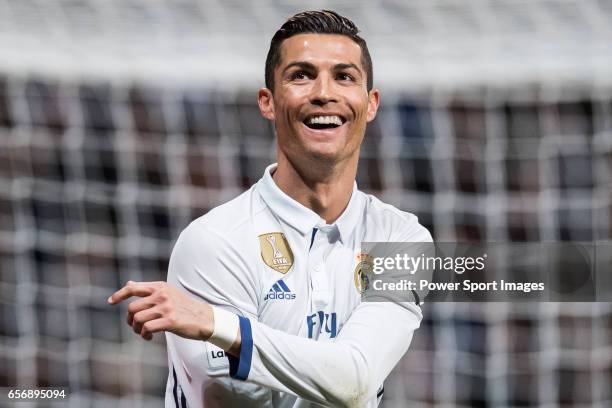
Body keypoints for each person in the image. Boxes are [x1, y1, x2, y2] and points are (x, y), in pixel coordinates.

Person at [108, 10, 432, 408]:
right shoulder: (213, 243)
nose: (323, 93)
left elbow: (358, 379)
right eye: (301, 75)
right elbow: (236, 399)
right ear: (268, 102)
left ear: (370, 104)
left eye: (344, 77)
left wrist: (221, 326)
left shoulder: (402, 238)